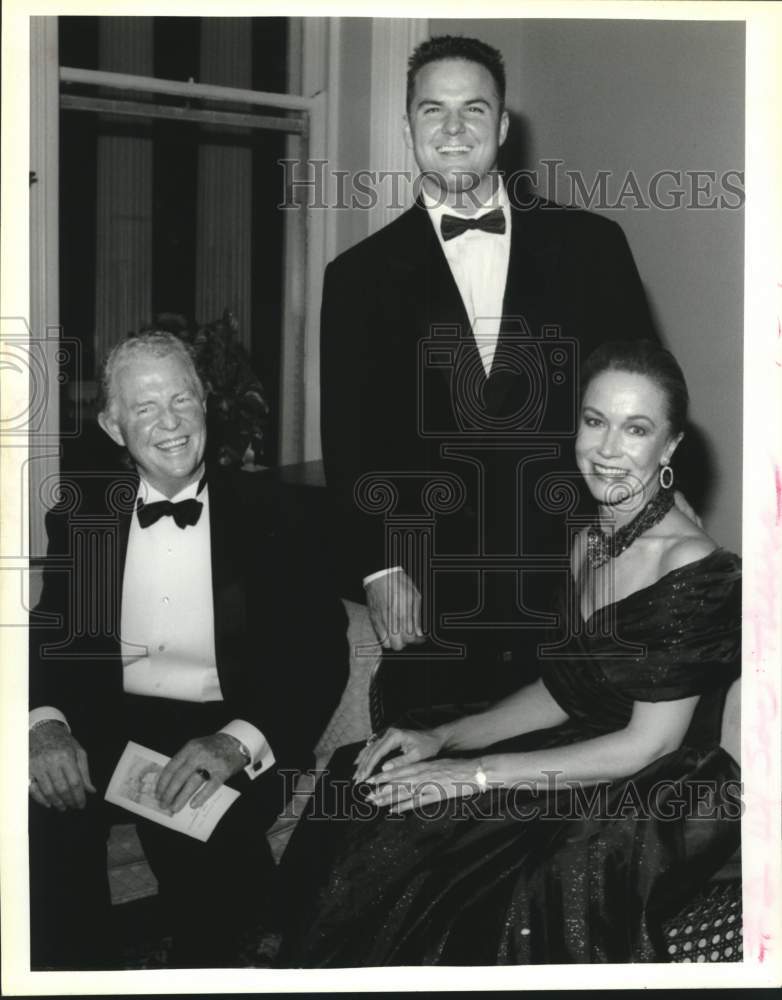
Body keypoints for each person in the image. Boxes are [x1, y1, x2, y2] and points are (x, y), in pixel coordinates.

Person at [279, 340, 741, 965]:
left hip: (655, 789)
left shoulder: (691, 566)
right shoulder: (589, 538)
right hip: (584, 749)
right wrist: (447, 738)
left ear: (671, 447)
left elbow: (648, 745)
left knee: (484, 878)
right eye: (594, 421)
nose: (606, 449)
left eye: (636, 429)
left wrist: (469, 775)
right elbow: (564, 689)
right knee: (370, 781)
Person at [321, 35, 660, 720]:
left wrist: (629, 543)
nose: (453, 129)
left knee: (574, 800)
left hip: (576, 578)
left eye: (473, 110)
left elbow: (645, 405)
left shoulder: (593, 246)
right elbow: (351, 446)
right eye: (432, 110)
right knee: (436, 800)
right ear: (409, 126)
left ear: (503, 127)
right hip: (434, 597)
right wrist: (381, 568)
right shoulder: (356, 278)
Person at [28, 331, 348, 969]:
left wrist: (235, 743)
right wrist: (46, 728)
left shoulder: (276, 512)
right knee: (43, 825)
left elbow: (319, 654)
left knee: (210, 856)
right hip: (111, 726)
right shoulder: (84, 511)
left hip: (226, 728)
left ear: (206, 404)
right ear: (114, 426)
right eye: (144, 409)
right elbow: (52, 636)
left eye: (182, 400)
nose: (169, 423)